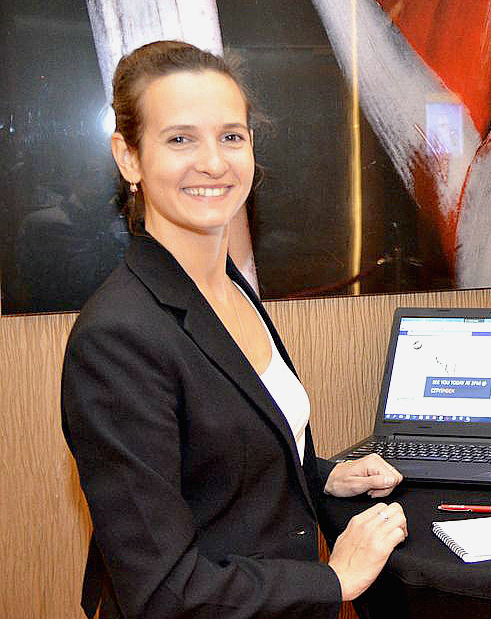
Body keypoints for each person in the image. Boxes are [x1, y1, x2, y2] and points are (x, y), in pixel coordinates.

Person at [61, 40, 408, 618]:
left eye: (231, 136)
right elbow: (164, 593)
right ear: (129, 158)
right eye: (180, 139)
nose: (214, 163)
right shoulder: (117, 339)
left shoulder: (228, 284)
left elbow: (217, 465)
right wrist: (335, 581)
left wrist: (321, 476)